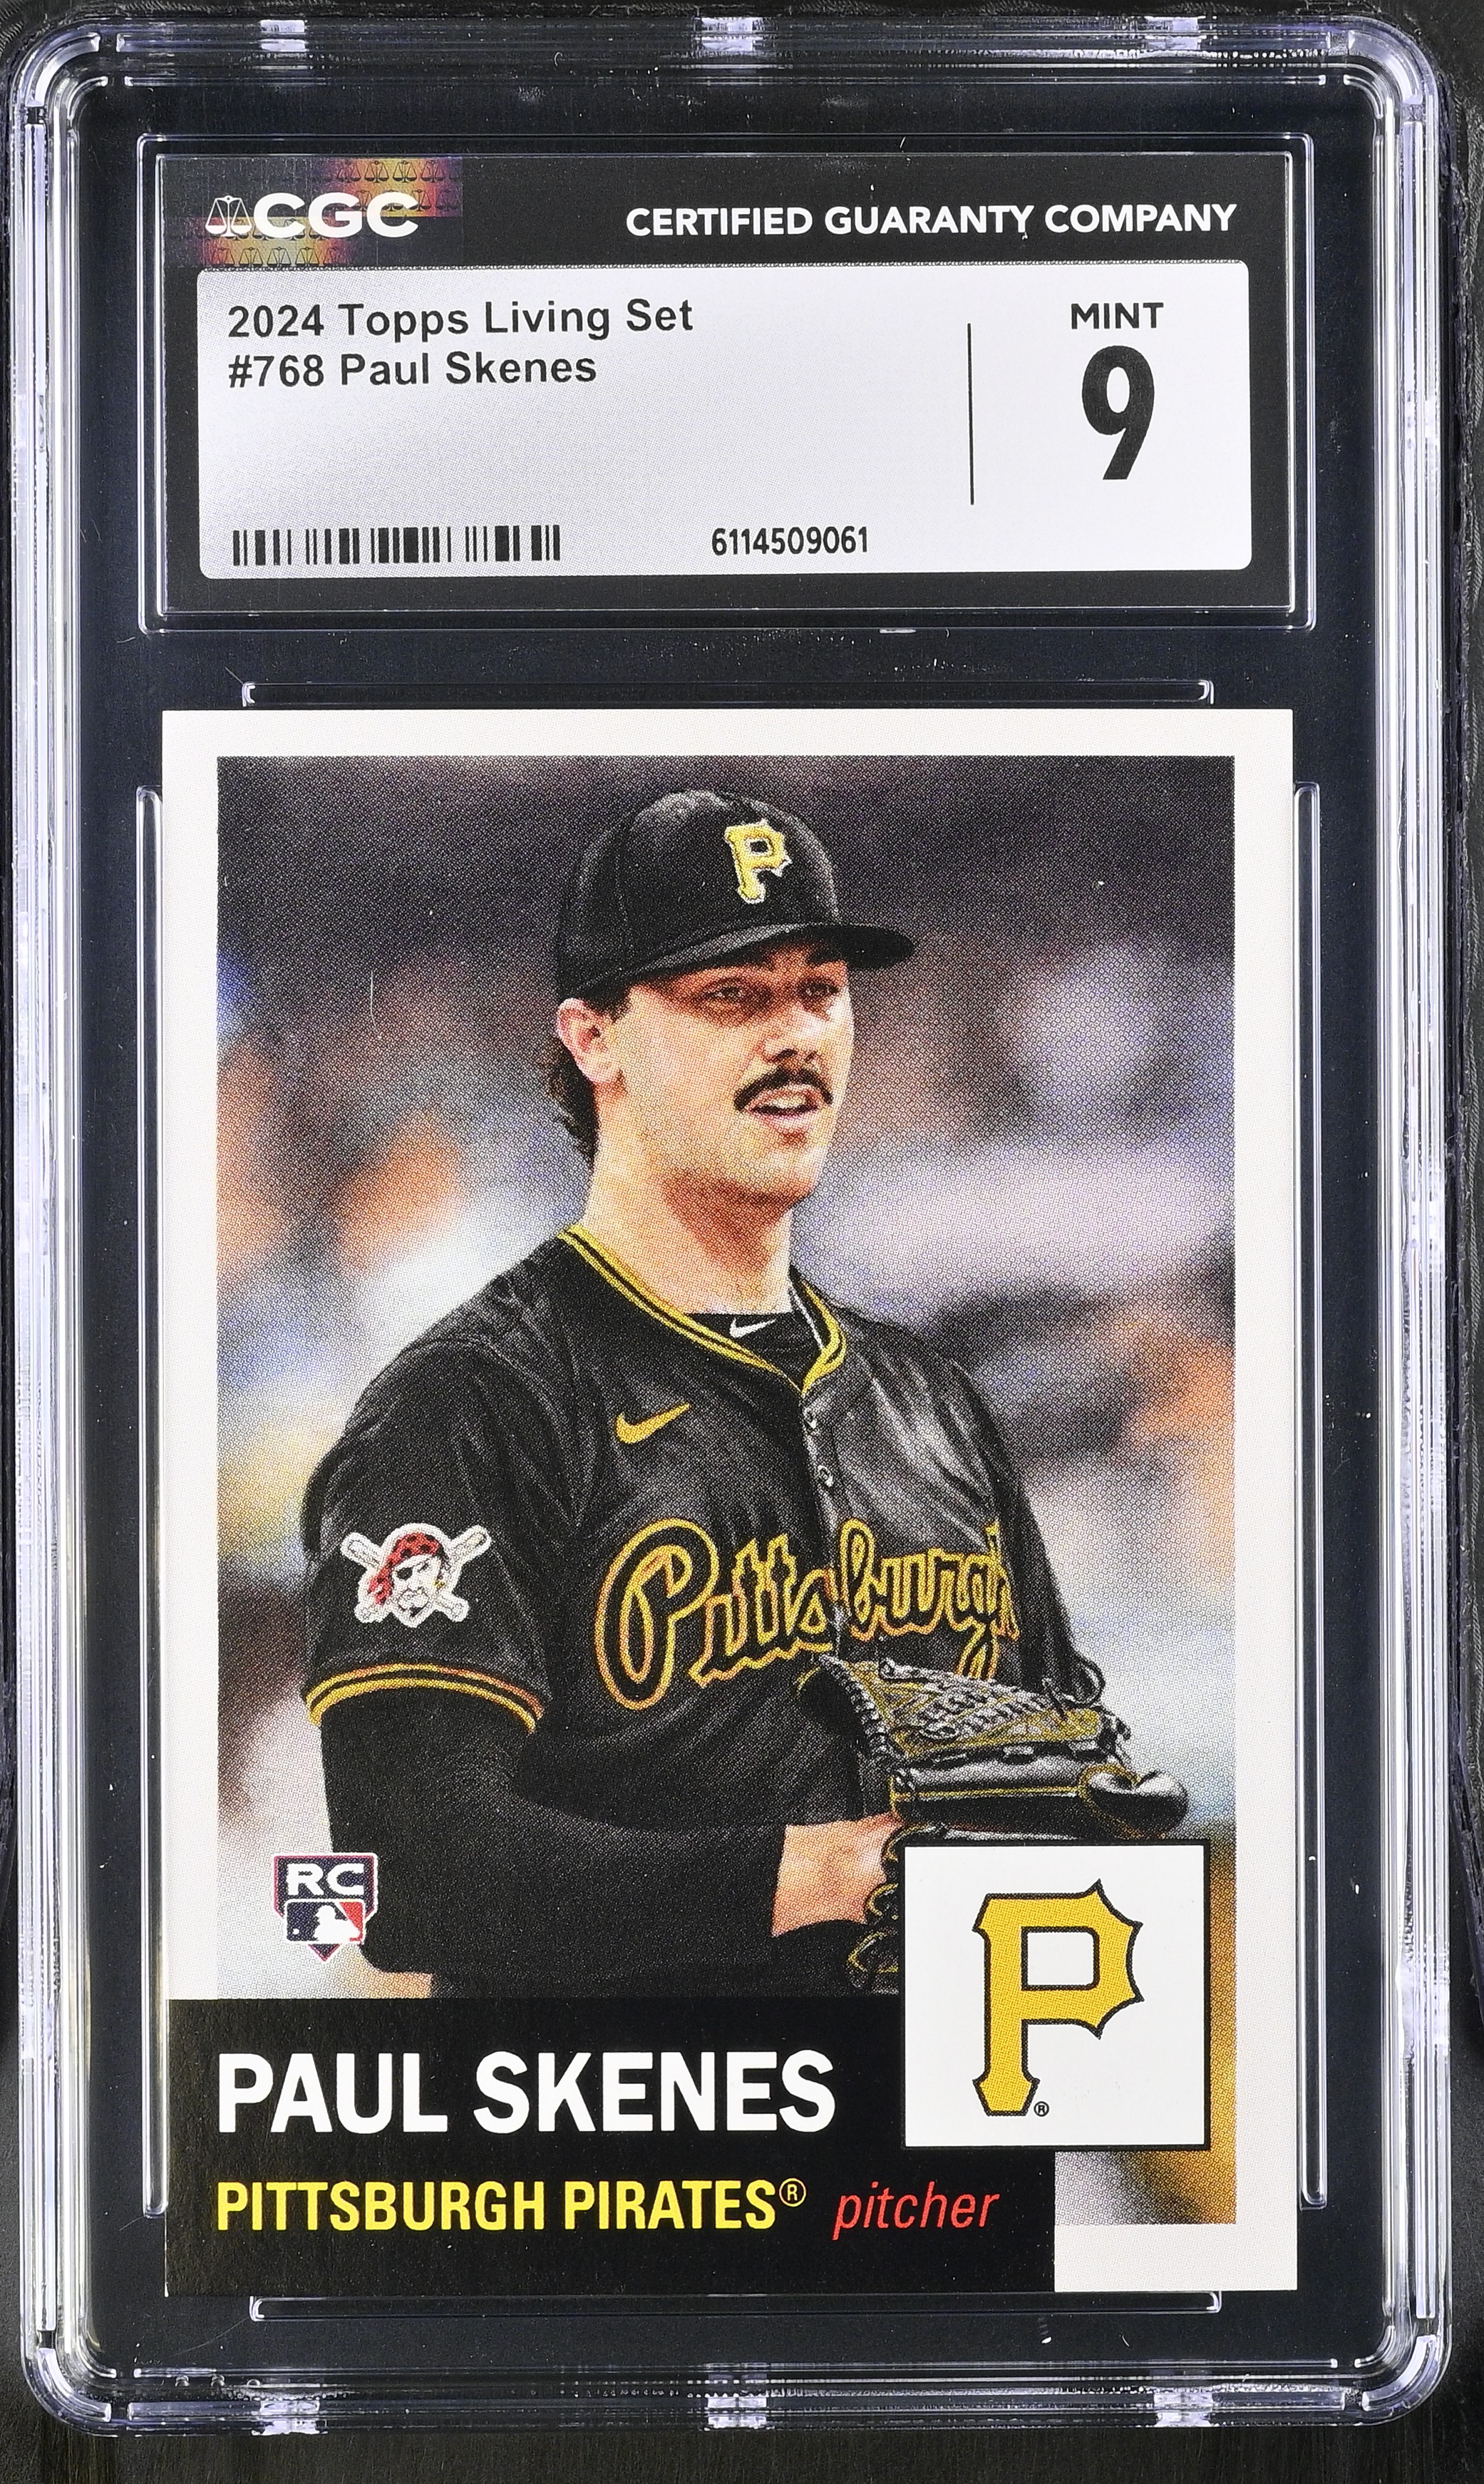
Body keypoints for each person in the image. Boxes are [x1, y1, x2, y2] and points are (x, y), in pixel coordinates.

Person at [300, 787, 1103, 1995]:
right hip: (625, 2113)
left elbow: (1058, 1772)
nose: (793, 1035)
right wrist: (815, 1877)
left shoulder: (931, 1401)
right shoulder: (471, 1405)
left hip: (920, 2111)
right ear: (594, 1040)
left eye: (818, 989)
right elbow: (405, 1876)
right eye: (730, 995)